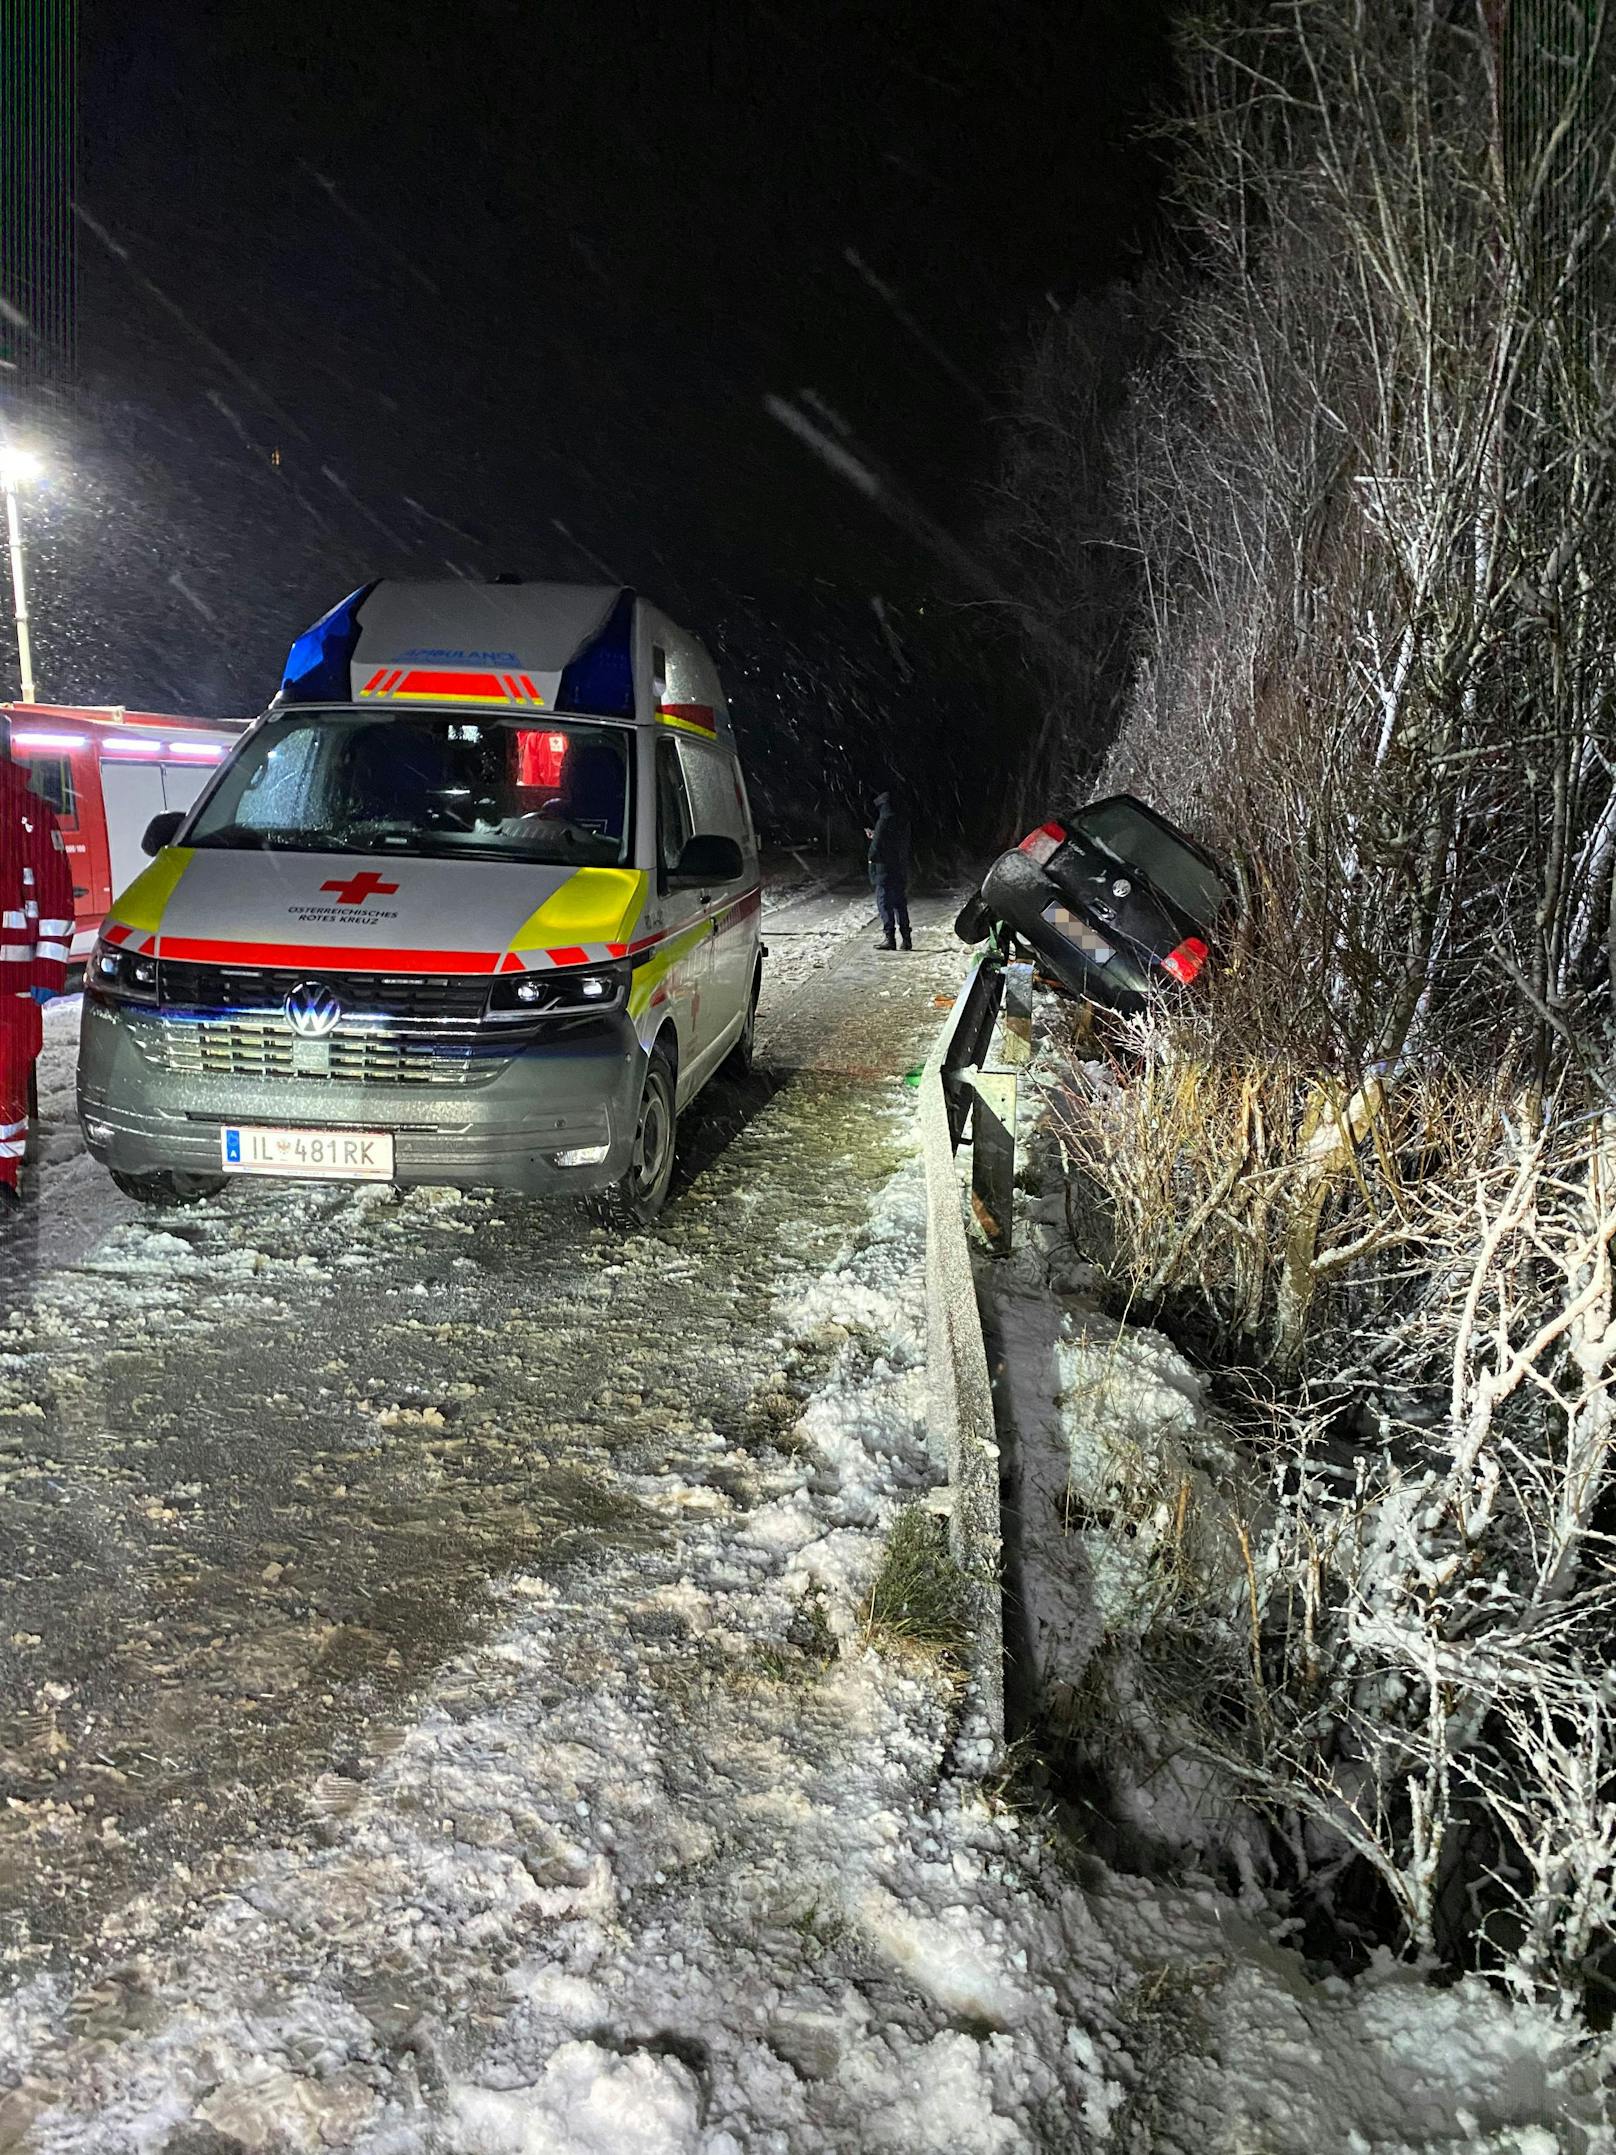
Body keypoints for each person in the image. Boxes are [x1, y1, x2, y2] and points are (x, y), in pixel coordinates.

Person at [0, 749, 72, 1207]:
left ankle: (4, 1175)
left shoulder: (30, 812)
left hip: (17, 982)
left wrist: (47, 969)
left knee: (6, 1078)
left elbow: (56, 895)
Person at [865, 789, 912, 952]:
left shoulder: (883, 820)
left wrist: (871, 856)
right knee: (900, 904)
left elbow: (876, 847)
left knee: (884, 904)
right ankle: (906, 939)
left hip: (884, 870)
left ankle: (889, 938)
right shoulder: (903, 821)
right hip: (899, 869)